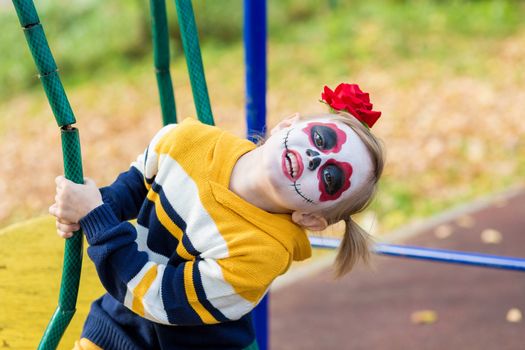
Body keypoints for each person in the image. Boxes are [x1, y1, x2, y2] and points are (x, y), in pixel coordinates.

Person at [49, 83, 384, 350]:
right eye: (321, 139)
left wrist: (96, 218)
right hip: (119, 321)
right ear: (287, 125)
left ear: (310, 219)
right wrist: (92, 206)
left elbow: (162, 299)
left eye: (331, 178)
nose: (314, 158)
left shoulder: (259, 255)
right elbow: (137, 185)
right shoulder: (187, 140)